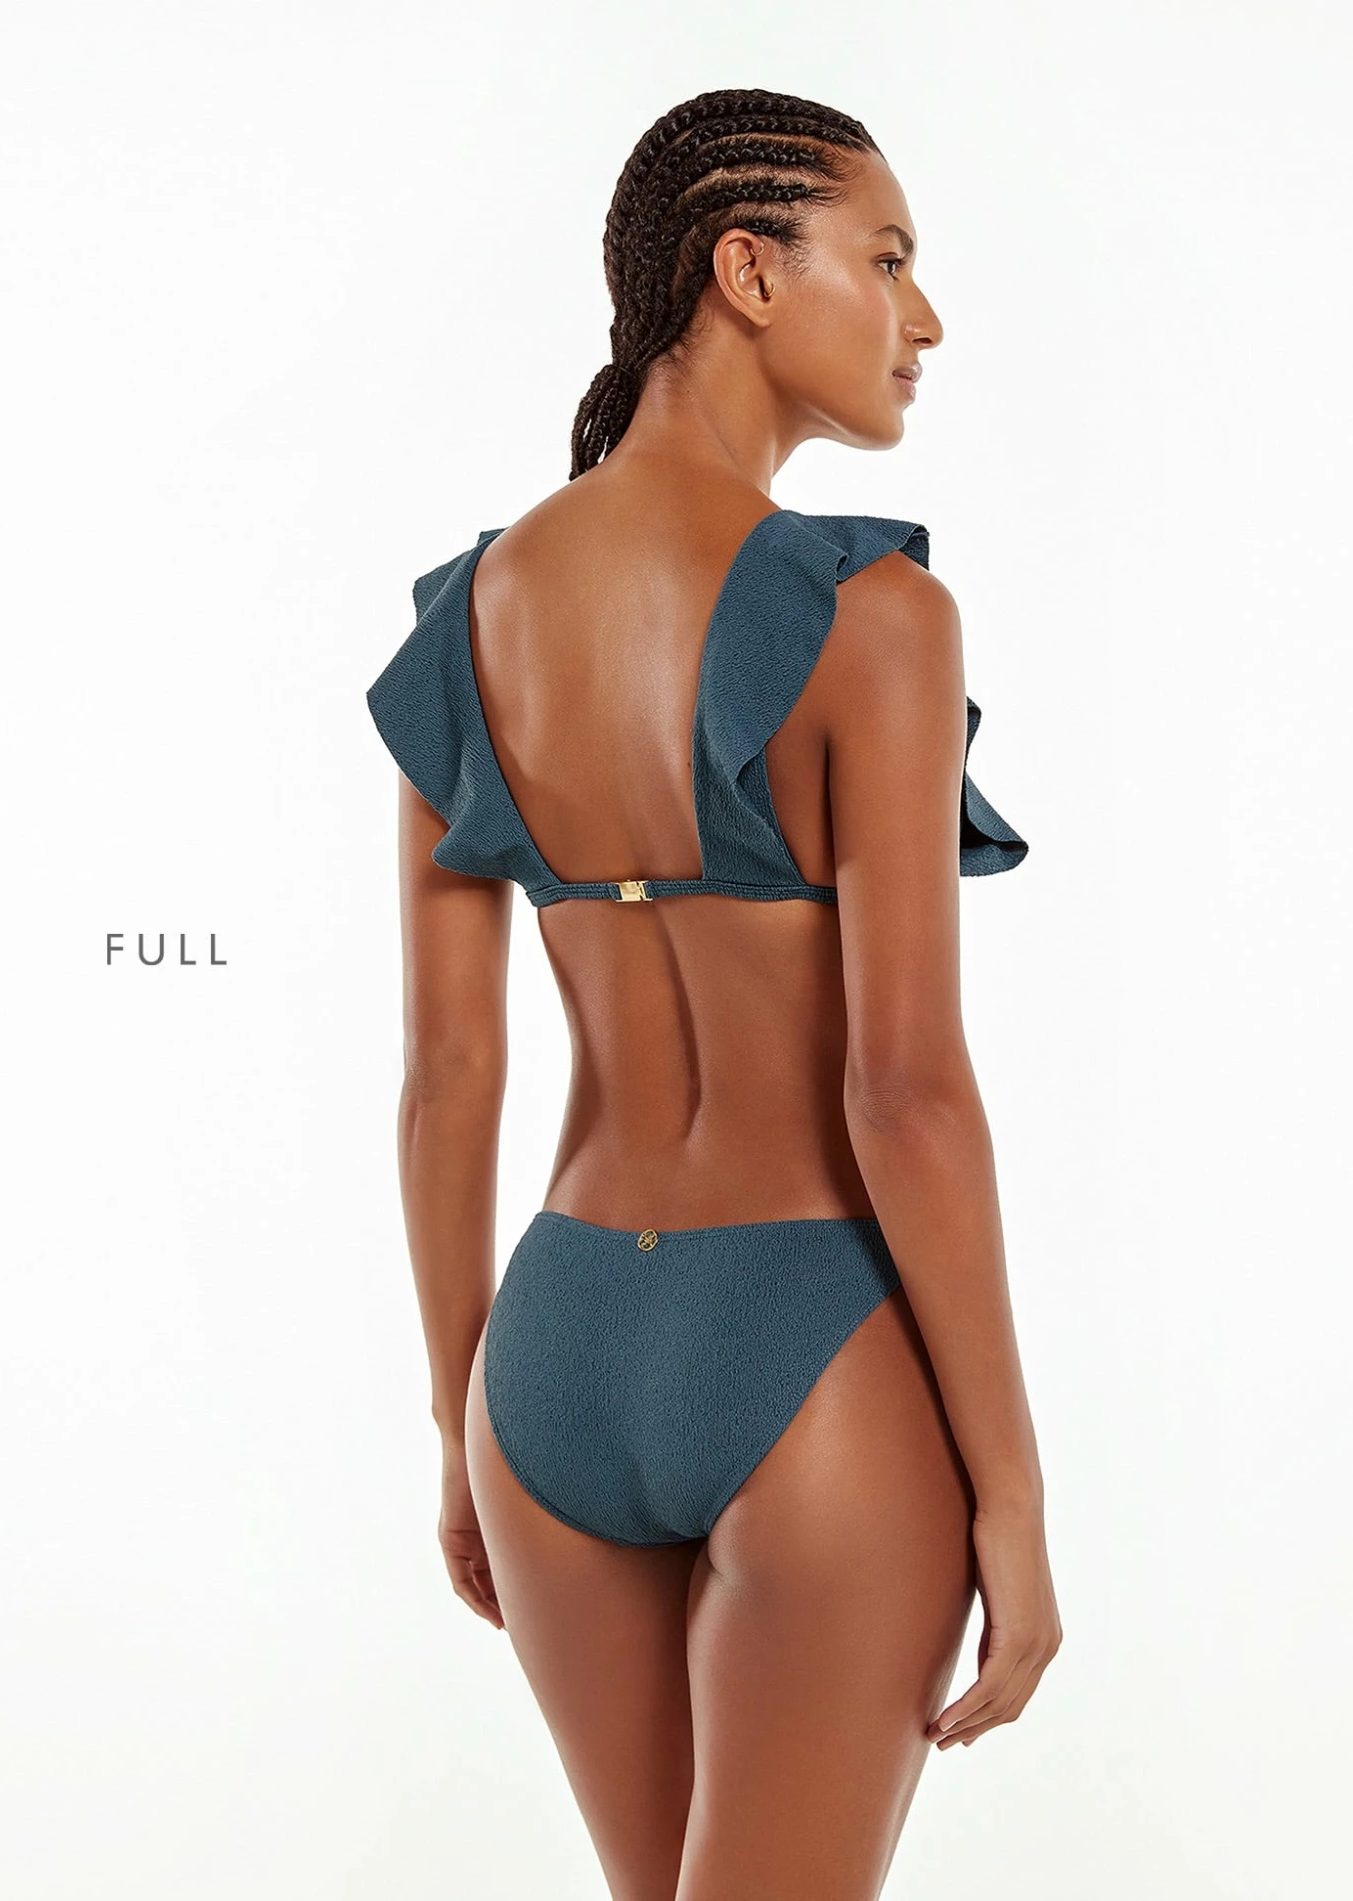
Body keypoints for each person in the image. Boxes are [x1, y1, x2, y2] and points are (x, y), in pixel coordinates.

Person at [365, 86, 1062, 1901]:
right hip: (805, 1342)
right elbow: (905, 1094)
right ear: (747, 272)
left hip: (551, 1359)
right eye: (886, 260)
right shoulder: (872, 618)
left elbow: (448, 1077)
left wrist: (457, 1427)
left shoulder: (466, 623)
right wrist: (1013, 1491)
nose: (923, 317)